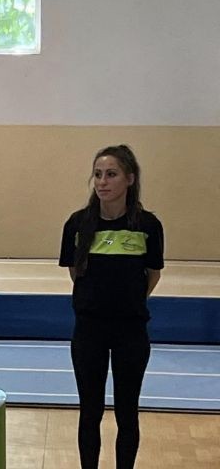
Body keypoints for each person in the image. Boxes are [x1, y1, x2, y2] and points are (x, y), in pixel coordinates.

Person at [59, 145, 163, 469]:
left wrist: (127, 302)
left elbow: (152, 274)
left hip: (130, 332)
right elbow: (75, 272)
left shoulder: (148, 226)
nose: (102, 182)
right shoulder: (77, 225)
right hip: (89, 331)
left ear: (129, 179)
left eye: (111, 174)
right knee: (89, 412)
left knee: (127, 413)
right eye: (98, 175)